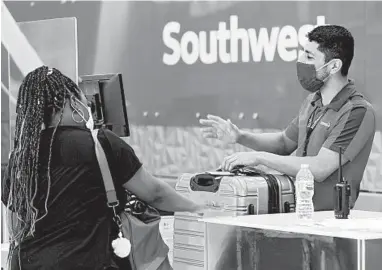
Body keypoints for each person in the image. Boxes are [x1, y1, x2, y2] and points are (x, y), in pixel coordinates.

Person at [201, 24, 376, 269]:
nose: (300, 61)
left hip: (329, 233)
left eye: (309, 56)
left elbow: (321, 168)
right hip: (293, 221)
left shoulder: (357, 111)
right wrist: (240, 136)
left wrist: (259, 158)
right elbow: (285, 142)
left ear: (334, 66)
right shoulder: (312, 102)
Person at [1, 66, 205, 270]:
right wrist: (197, 208)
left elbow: (20, 218)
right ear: (73, 102)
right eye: (84, 101)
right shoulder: (100, 143)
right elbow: (155, 193)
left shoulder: (20, 159)